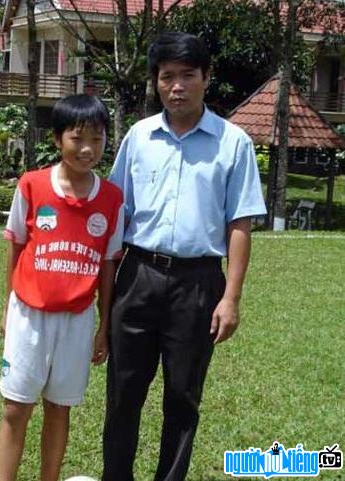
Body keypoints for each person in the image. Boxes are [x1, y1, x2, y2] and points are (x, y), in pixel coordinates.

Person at [102, 32, 267, 481]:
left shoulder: (233, 144)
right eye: (166, 76)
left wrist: (230, 298)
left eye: (187, 76)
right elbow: (118, 214)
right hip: (137, 275)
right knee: (122, 393)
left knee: (182, 396)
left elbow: (240, 224)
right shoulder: (139, 137)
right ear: (156, 82)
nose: (177, 86)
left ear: (206, 79)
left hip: (198, 284)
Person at [0, 94, 124, 481]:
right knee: (16, 408)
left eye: (97, 139)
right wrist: (7, 307)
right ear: (56, 139)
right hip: (29, 315)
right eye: (77, 138)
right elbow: (17, 245)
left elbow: (107, 265)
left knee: (58, 407)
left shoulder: (112, 198)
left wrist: (103, 325)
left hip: (77, 320)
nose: (87, 149)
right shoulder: (32, 185)